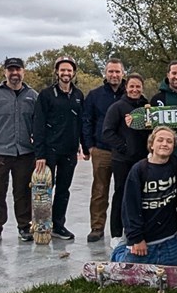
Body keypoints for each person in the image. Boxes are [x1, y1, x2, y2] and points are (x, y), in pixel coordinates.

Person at [0, 57, 38, 245]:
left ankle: (24, 227)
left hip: (25, 153)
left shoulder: (33, 96)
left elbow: (38, 124)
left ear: (23, 72)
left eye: (18, 69)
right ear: (5, 72)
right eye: (11, 70)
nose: (14, 73)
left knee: (23, 193)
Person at [33, 55, 90, 240]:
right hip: (49, 151)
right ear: (57, 72)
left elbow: (82, 122)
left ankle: (59, 225)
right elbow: (38, 125)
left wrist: (85, 146)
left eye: (69, 70)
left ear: (73, 72)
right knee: (43, 190)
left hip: (69, 151)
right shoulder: (46, 95)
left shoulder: (78, 95)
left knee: (63, 190)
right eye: (62, 69)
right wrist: (39, 154)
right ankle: (41, 224)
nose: (66, 73)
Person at [111, 126, 177, 266]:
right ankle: (121, 248)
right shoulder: (139, 170)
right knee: (127, 270)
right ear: (152, 145)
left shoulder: (176, 163)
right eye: (160, 140)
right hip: (144, 238)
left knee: (173, 271)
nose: (164, 144)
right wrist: (136, 239)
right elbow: (129, 207)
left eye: (169, 141)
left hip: (168, 237)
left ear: (174, 146)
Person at [101, 73, 150, 247]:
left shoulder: (147, 107)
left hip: (143, 159)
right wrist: (124, 147)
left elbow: (150, 132)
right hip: (122, 160)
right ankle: (116, 233)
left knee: (143, 195)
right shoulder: (117, 107)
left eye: (138, 86)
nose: (135, 89)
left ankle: (140, 230)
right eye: (132, 86)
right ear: (126, 87)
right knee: (121, 194)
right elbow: (107, 132)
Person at [82, 58, 126, 243]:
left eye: (117, 72)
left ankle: (123, 226)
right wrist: (89, 146)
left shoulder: (130, 93)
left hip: (124, 151)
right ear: (105, 74)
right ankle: (97, 227)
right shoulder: (94, 95)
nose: (114, 75)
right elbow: (86, 121)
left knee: (123, 191)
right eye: (111, 72)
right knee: (100, 190)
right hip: (101, 150)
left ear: (123, 73)